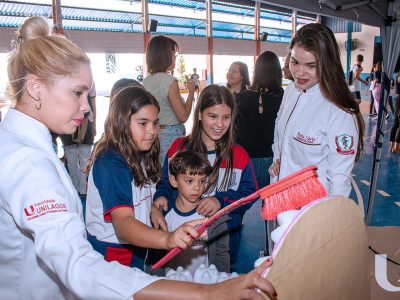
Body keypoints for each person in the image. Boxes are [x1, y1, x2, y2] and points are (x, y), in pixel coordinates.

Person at [0, 16, 278, 300]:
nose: (86, 107)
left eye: (87, 95)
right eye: (77, 93)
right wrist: (208, 293)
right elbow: (80, 265)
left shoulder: (27, 148)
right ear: (35, 88)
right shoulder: (28, 162)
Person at [85, 86, 206, 270]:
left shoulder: (137, 152)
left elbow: (132, 194)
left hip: (134, 248)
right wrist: (168, 239)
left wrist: (151, 209)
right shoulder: (111, 163)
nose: (152, 131)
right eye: (143, 123)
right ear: (121, 123)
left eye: (155, 123)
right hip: (113, 255)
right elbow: (124, 224)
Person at [154, 84, 257, 272]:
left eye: (226, 117)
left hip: (222, 247)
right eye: (213, 116)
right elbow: (165, 181)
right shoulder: (179, 147)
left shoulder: (238, 155)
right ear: (200, 114)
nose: (220, 124)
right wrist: (160, 196)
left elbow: (250, 194)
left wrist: (220, 200)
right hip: (179, 244)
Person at [269, 23, 364, 198]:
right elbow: (279, 129)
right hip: (280, 196)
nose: (299, 72)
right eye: (295, 62)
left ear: (327, 65)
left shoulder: (340, 111)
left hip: (313, 209)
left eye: (311, 66)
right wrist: (278, 157)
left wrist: (330, 219)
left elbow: (339, 179)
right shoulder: (291, 90)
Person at [235, 51, 284, 256]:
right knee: (271, 210)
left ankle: (230, 243)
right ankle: (272, 250)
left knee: (238, 205)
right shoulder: (284, 97)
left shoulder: (242, 97)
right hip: (273, 162)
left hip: (246, 161)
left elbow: (235, 131)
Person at [164, 150, 230, 273]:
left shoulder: (212, 214)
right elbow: (154, 256)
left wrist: (222, 282)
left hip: (205, 284)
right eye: (189, 181)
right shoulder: (163, 215)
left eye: (202, 181)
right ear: (173, 181)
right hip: (172, 285)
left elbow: (222, 253)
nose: (197, 187)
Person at [143, 35, 195, 164]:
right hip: (171, 135)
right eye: (173, 54)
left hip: (155, 133)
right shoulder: (169, 81)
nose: (175, 57)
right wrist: (191, 92)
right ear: (165, 55)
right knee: (172, 173)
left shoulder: (147, 81)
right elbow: (183, 116)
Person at [59, 83, 96, 196]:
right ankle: (76, 189)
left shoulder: (89, 81)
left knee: (81, 159)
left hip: (84, 122)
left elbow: (93, 104)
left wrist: (93, 123)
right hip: (69, 121)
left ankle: (81, 189)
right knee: (72, 160)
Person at [390, 72, 400, 153]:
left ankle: (393, 146)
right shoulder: (399, 77)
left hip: (398, 99)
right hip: (399, 99)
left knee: (396, 123)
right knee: (397, 123)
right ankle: (396, 147)